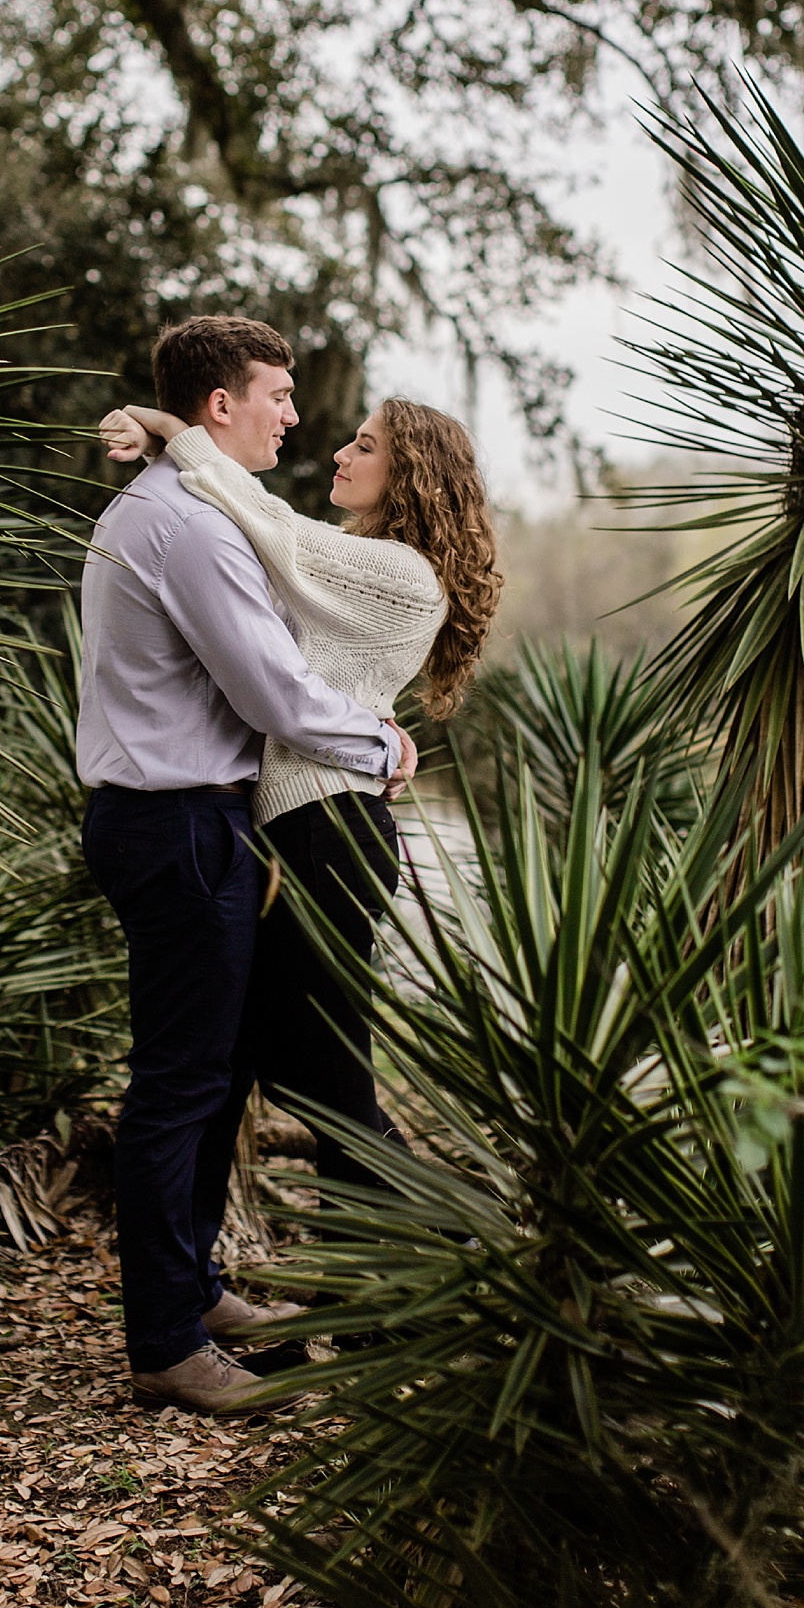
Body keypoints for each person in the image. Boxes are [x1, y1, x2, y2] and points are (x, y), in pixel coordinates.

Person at [76, 315, 419, 1417]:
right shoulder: (191, 527)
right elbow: (272, 694)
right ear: (222, 405)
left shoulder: (177, 504)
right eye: (275, 391)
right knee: (180, 1087)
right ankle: (168, 1344)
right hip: (179, 822)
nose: (294, 412)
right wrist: (384, 745)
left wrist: (164, 427)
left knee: (209, 1077)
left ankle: (196, 1297)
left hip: (177, 818)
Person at [99, 391, 502, 1226]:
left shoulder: (396, 571)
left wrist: (177, 433)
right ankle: (351, 1283)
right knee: (282, 1063)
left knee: (323, 1074)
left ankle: (407, 1252)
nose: (341, 457)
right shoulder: (360, 560)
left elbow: (268, 524)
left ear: (413, 473)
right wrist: (157, 444)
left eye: (364, 446)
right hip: (300, 822)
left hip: (332, 829)